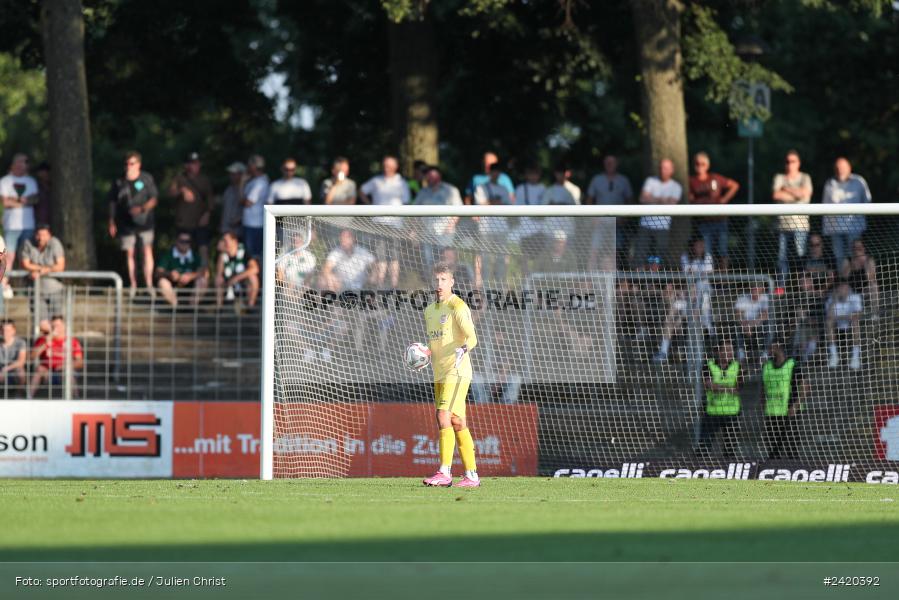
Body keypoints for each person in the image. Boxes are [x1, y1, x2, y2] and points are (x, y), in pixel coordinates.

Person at [421, 261, 480, 488]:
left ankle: (444, 472)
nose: (439, 284)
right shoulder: (429, 310)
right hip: (440, 372)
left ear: (452, 282)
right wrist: (426, 352)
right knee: (457, 421)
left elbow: (472, 337)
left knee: (442, 415)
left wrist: (463, 349)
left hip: (457, 371)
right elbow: (437, 342)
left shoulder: (458, 307)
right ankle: (472, 475)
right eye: (436, 280)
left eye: (443, 280)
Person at [108, 150, 159, 295]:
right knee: (129, 253)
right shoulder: (119, 182)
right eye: (126, 164)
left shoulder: (146, 179)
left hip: (145, 223)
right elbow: (112, 202)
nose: (129, 166)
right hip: (126, 224)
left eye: (132, 163)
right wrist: (111, 221)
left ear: (138, 164)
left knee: (146, 251)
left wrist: (142, 208)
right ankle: (133, 285)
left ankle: (149, 284)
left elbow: (154, 198)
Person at [359, 155, 410, 289]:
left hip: (396, 224)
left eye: (389, 165)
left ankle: (394, 286)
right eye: (385, 165)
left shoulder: (401, 182)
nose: (386, 168)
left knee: (394, 256)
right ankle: (380, 285)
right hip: (378, 223)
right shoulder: (376, 181)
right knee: (380, 254)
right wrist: (369, 204)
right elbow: (362, 191)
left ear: (395, 167)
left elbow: (406, 202)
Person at [688, 152, 740, 271]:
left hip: (720, 221)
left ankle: (723, 282)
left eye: (703, 164)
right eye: (697, 163)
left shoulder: (716, 178)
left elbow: (734, 185)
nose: (700, 166)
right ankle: (710, 284)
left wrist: (724, 199)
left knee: (723, 252)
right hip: (703, 223)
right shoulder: (691, 181)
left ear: (707, 165)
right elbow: (690, 199)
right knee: (707, 254)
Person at [697, 339, 743, 458]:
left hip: (732, 412)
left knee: (730, 448)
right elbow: (709, 385)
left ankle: (729, 472)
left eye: (731, 350)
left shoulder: (738, 366)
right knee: (703, 446)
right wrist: (728, 388)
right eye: (726, 350)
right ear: (719, 351)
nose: (729, 353)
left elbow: (739, 388)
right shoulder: (708, 365)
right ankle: (699, 470)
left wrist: (719, 386)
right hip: (713, 411)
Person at [0, 153, 39, 296]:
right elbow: (5, 202)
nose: (26, 164)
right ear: (15, 163)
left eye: (27, 162)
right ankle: (4, 284)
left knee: (27, 257)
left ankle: (27, 288)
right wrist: (23, 201)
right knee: (9, 256)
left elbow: (35, 200)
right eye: (24, 161)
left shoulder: (31, 181)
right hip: (11, 226)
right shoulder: (5, 181)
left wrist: (15, 201)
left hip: (28, 225)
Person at [822, 157, 872, 266]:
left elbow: (867, 201)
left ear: (849, 168)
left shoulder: (859, 182)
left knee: (856, 256)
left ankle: (856, 282)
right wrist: (826, 229)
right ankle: (843, 282)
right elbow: (824, 207)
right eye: (838, 167)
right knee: (839, 258)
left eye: (843, 167)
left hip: (855, 228)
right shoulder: (829, 184)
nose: (840, 170)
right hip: (835, 230)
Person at [761, 341, 806, 461]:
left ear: (778, 347)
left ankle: (793, 468)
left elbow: (805, 387)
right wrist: (763, 404)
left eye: (771, 347)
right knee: (773, 445)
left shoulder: (793, 365)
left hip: (788, 411)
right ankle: (773, 468)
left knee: (791, 444)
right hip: (771, 411)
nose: (769, 350)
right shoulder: (766, 366)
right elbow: (763, 388)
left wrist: (795, 406)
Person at [586, 155, 632, 271]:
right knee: (594, 250)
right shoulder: (597, 179)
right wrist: (592, 217)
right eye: (607, 163)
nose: (609, 165)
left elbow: (630, 200)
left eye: (612, 162)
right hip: (600, 222)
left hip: (618, 223)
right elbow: (589, 199)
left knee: (616, 251)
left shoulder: (623, 180)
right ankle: (589, 278)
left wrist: (625, 218)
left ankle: (615, 279)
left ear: (617, 164)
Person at [412, 166, 462, 273]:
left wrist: (450, 226)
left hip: (446, 233)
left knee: (446, 262)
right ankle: (432, 286)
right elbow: (415, 212)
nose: (429, 178)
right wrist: (414, 230)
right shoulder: (423, 192)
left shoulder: (451, 190)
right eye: (428, 176)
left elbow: (458, 210)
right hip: (427, 233)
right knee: (429, 261)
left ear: (439, 176)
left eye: (432, 175)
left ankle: (447, 286)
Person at [168, 152, 214, 268]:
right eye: (190, 163)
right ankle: (181, 271)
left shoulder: (204, 180)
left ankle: (204, 273)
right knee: (181, 247)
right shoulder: (179, 178)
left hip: (199, 222)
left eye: (195, 163)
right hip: (183, 222)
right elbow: (170, 193)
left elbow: (210, 200)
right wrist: (181, 190)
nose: (192, 166)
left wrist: (207, 215)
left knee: (203, 248)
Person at [772, 150, 813, 278]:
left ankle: (802, 289)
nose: (790, 164)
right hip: (782, 226)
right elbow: (776, 195)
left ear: (798, 163)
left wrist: (786, 189)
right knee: (781, 259)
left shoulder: (805, 177)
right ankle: (781, 289)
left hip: (801, 226)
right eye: (787, 161)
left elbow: (806, 195)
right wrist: (797, 195)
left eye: (793, 161)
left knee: (801, 259)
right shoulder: (779, 178)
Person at [634, 158, 682, 268]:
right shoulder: (650, 181)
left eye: (665, 168)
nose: (662, 170)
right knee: (640, 257)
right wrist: (663, 200)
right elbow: (642, 198)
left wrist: (652, 198)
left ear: (672, 170)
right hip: (645, 226)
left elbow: (672, 203)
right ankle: (638, 283)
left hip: (662, 228)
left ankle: (652, 284)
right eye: (660, 167)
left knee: (656, 259)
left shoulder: (676, 186)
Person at [473, 162, 514, 285]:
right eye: (493, 171)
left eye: (498, 171)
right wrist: (493, 202)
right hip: (485, 228)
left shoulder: (504, 189)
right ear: (489, 173)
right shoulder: (481, 188)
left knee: (501, 257)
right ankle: (484, 283)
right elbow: (479, 205)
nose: (495, 174)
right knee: (484, 257)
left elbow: (509, 206)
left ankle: (500, 282)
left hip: (502, 228)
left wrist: (494, 202)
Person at [28, 315, 84, 399]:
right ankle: (28, 398)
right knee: (39, 369)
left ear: (64, 326)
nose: (56, 328)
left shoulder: (72, 341)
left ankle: (76, 400)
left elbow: (80, 363)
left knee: (68, 373)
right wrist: (46, 342)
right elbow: (31, 357)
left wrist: (64, 366)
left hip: (65, 371)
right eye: (53, 326)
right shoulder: (43, 339)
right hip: (47, 372)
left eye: (58, 326)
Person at [20, 224, 66, 321]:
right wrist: (46, 268)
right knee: (40, 323)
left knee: (57, 321)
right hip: (36, 290)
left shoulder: (55, 243)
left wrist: (40, 271)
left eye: (44, 235)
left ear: (49, 235)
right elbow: (25, 264)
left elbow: (60, 266)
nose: (41, 238)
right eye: (38, 235)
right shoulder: (28, 243)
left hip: (55, 289)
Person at [155, 233, 209, 307]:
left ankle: (192, 308)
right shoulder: (168, 254)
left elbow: (203, 271)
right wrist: (170, 274)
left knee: (203, 280)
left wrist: (190, 276)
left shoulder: (195, 255)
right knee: (162, 282)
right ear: (176, 241)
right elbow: (158, 272)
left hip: (191, 286)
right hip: (173, 286)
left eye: (187, 241)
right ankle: (176, 307)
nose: (184, 244)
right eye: (182, 241)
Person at [215, 231, 260, 309]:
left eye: (226, 240)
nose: (224, 243)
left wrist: (236, 278)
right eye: (223, 240)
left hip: (243, 283)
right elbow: (219, 273)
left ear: (234, 241)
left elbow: (255, 269)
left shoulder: (244, 251)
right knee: (218, 280)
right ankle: (219, 310)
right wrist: (221, 252)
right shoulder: (223, 256)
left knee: (253, 277)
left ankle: (250, 307)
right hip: (229, 284)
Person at [825, 281, 862, 370]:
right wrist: (834, 301)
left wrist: (841, 316)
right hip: (836, 326)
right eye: (841, 288)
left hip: (850, 324)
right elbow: (829, 315)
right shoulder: (831, 298)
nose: (843, 290)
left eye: (845, 288)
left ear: (849, 289)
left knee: (855, 321)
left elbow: (857, 314)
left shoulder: (855, 297)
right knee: (829, 322)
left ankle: (855, 357)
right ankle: (834, 356)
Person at [241, 154, 270, 260]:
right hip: (250, 223)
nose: (247, 168)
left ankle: (256, 276)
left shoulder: (260, 183)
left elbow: (247, 202)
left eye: (249, 165)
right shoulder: (254, 181)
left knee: (254, 255)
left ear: (254, 166)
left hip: (255, 224)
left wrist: (241, 182)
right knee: (250, 254)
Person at [840, 238, 878, 314]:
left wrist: (864, 264)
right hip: (851, 288)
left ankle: (874, 313)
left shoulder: (869, 260)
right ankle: (846, 315)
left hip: (864, 288)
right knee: (843, 288)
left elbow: (871, 278)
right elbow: (844, 277)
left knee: (874, 286)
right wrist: (851, 265)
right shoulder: (847, 260)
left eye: (859, 248)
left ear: (863, 248)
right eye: (855, 248)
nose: (857, 250)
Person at [734, 284, 770, 363]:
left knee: (768, 326)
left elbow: (765, 315)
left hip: (758, 325)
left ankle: (764, 353)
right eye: (753, 287)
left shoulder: (766, 298)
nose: (754, 289)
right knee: (736, 327)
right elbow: (738, 315)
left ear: (762, 289)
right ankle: (741, 353)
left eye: (757, 288)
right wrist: (745, 325)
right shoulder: (742, 297)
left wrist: (751, 325)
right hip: (745, 325)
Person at [219, 162, 246, 238]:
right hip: (225, 230)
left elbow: (248, 208)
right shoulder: (228, 189)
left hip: (239, 231)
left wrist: (239, 220)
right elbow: (224, 209)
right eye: (230, 174)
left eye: (234, 174)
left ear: (242, 175)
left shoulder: (246, 190)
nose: (231, 176)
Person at [0, 319, 27, 389]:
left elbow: (21, 361)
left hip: (13, 367)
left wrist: (5, 369)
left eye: (8, 330)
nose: (5, 333)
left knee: (21, 372)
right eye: (3, 330)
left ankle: (18, 396)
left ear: (14, 331)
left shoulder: (20, 342)